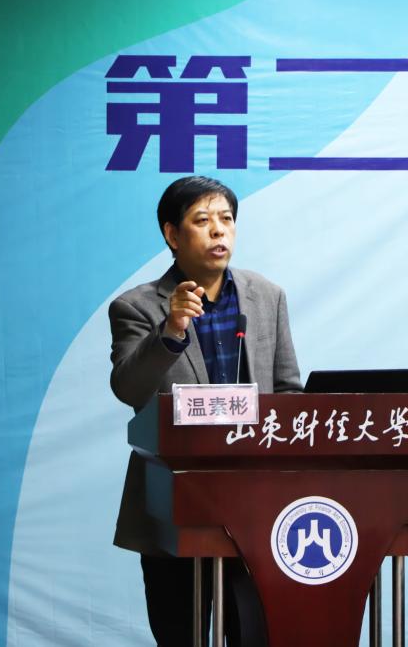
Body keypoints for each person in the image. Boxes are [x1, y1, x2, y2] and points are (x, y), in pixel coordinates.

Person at [108, 175, 302, 646]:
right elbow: (129, 388)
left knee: (252, 634)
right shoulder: (136, 307)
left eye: (227, 219)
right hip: (173, 502)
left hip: (255, 506)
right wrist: (172, 329)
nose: (219, 231)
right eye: (202, 220)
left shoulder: (267, 296)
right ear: (172, 235)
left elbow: (287, 392)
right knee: (181, 635)